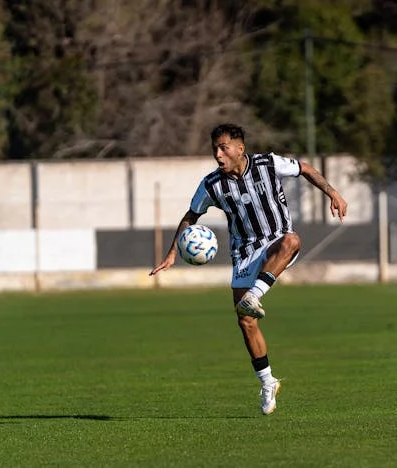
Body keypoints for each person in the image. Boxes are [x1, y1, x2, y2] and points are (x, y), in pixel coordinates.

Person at [149, 123, 348, 415]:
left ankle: (255, 294)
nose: (218, 153)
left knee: (293, 239)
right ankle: (268, 382)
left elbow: (304, 168)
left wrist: (333, 193)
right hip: (244, 254)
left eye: (224, 147)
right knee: (246, 322)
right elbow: (191, 215)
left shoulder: (268, 164)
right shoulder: (212, 185)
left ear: (240, 148)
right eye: (215, 148)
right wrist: (172, 253)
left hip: (277, 242)